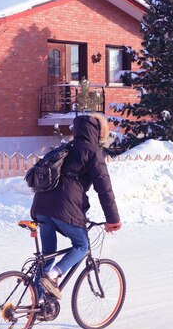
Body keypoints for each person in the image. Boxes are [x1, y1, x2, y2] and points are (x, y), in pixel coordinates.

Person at [31, 113, 122, 300]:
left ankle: (38, 303)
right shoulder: (92, 152)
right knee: (81, 246)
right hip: (64, 207)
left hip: (40, 206)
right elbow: (104, 189)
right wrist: (113, 219)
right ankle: (54, 274)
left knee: (48, 254)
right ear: (99, 132)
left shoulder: (64, 148)